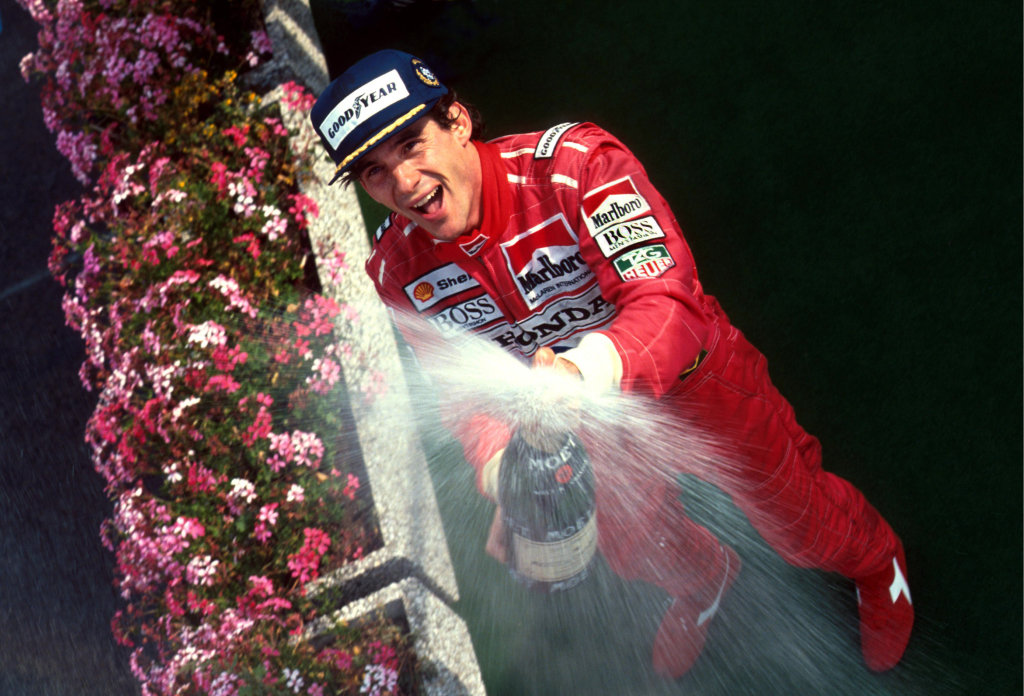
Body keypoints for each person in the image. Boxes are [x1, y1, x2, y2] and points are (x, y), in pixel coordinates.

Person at [309, 49, 914, 678]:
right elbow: (463, 398)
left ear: (458, 121)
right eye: (374, 173)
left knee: (798, 525)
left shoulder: (576, 166)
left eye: (411, 144)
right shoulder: (394, 270)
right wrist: (505, 477)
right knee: (635, 547)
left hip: (694, 382)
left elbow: (669, 305)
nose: (403, 183)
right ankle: (705, 582)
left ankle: (875, 559)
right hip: (580, 427)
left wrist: (574, 377)